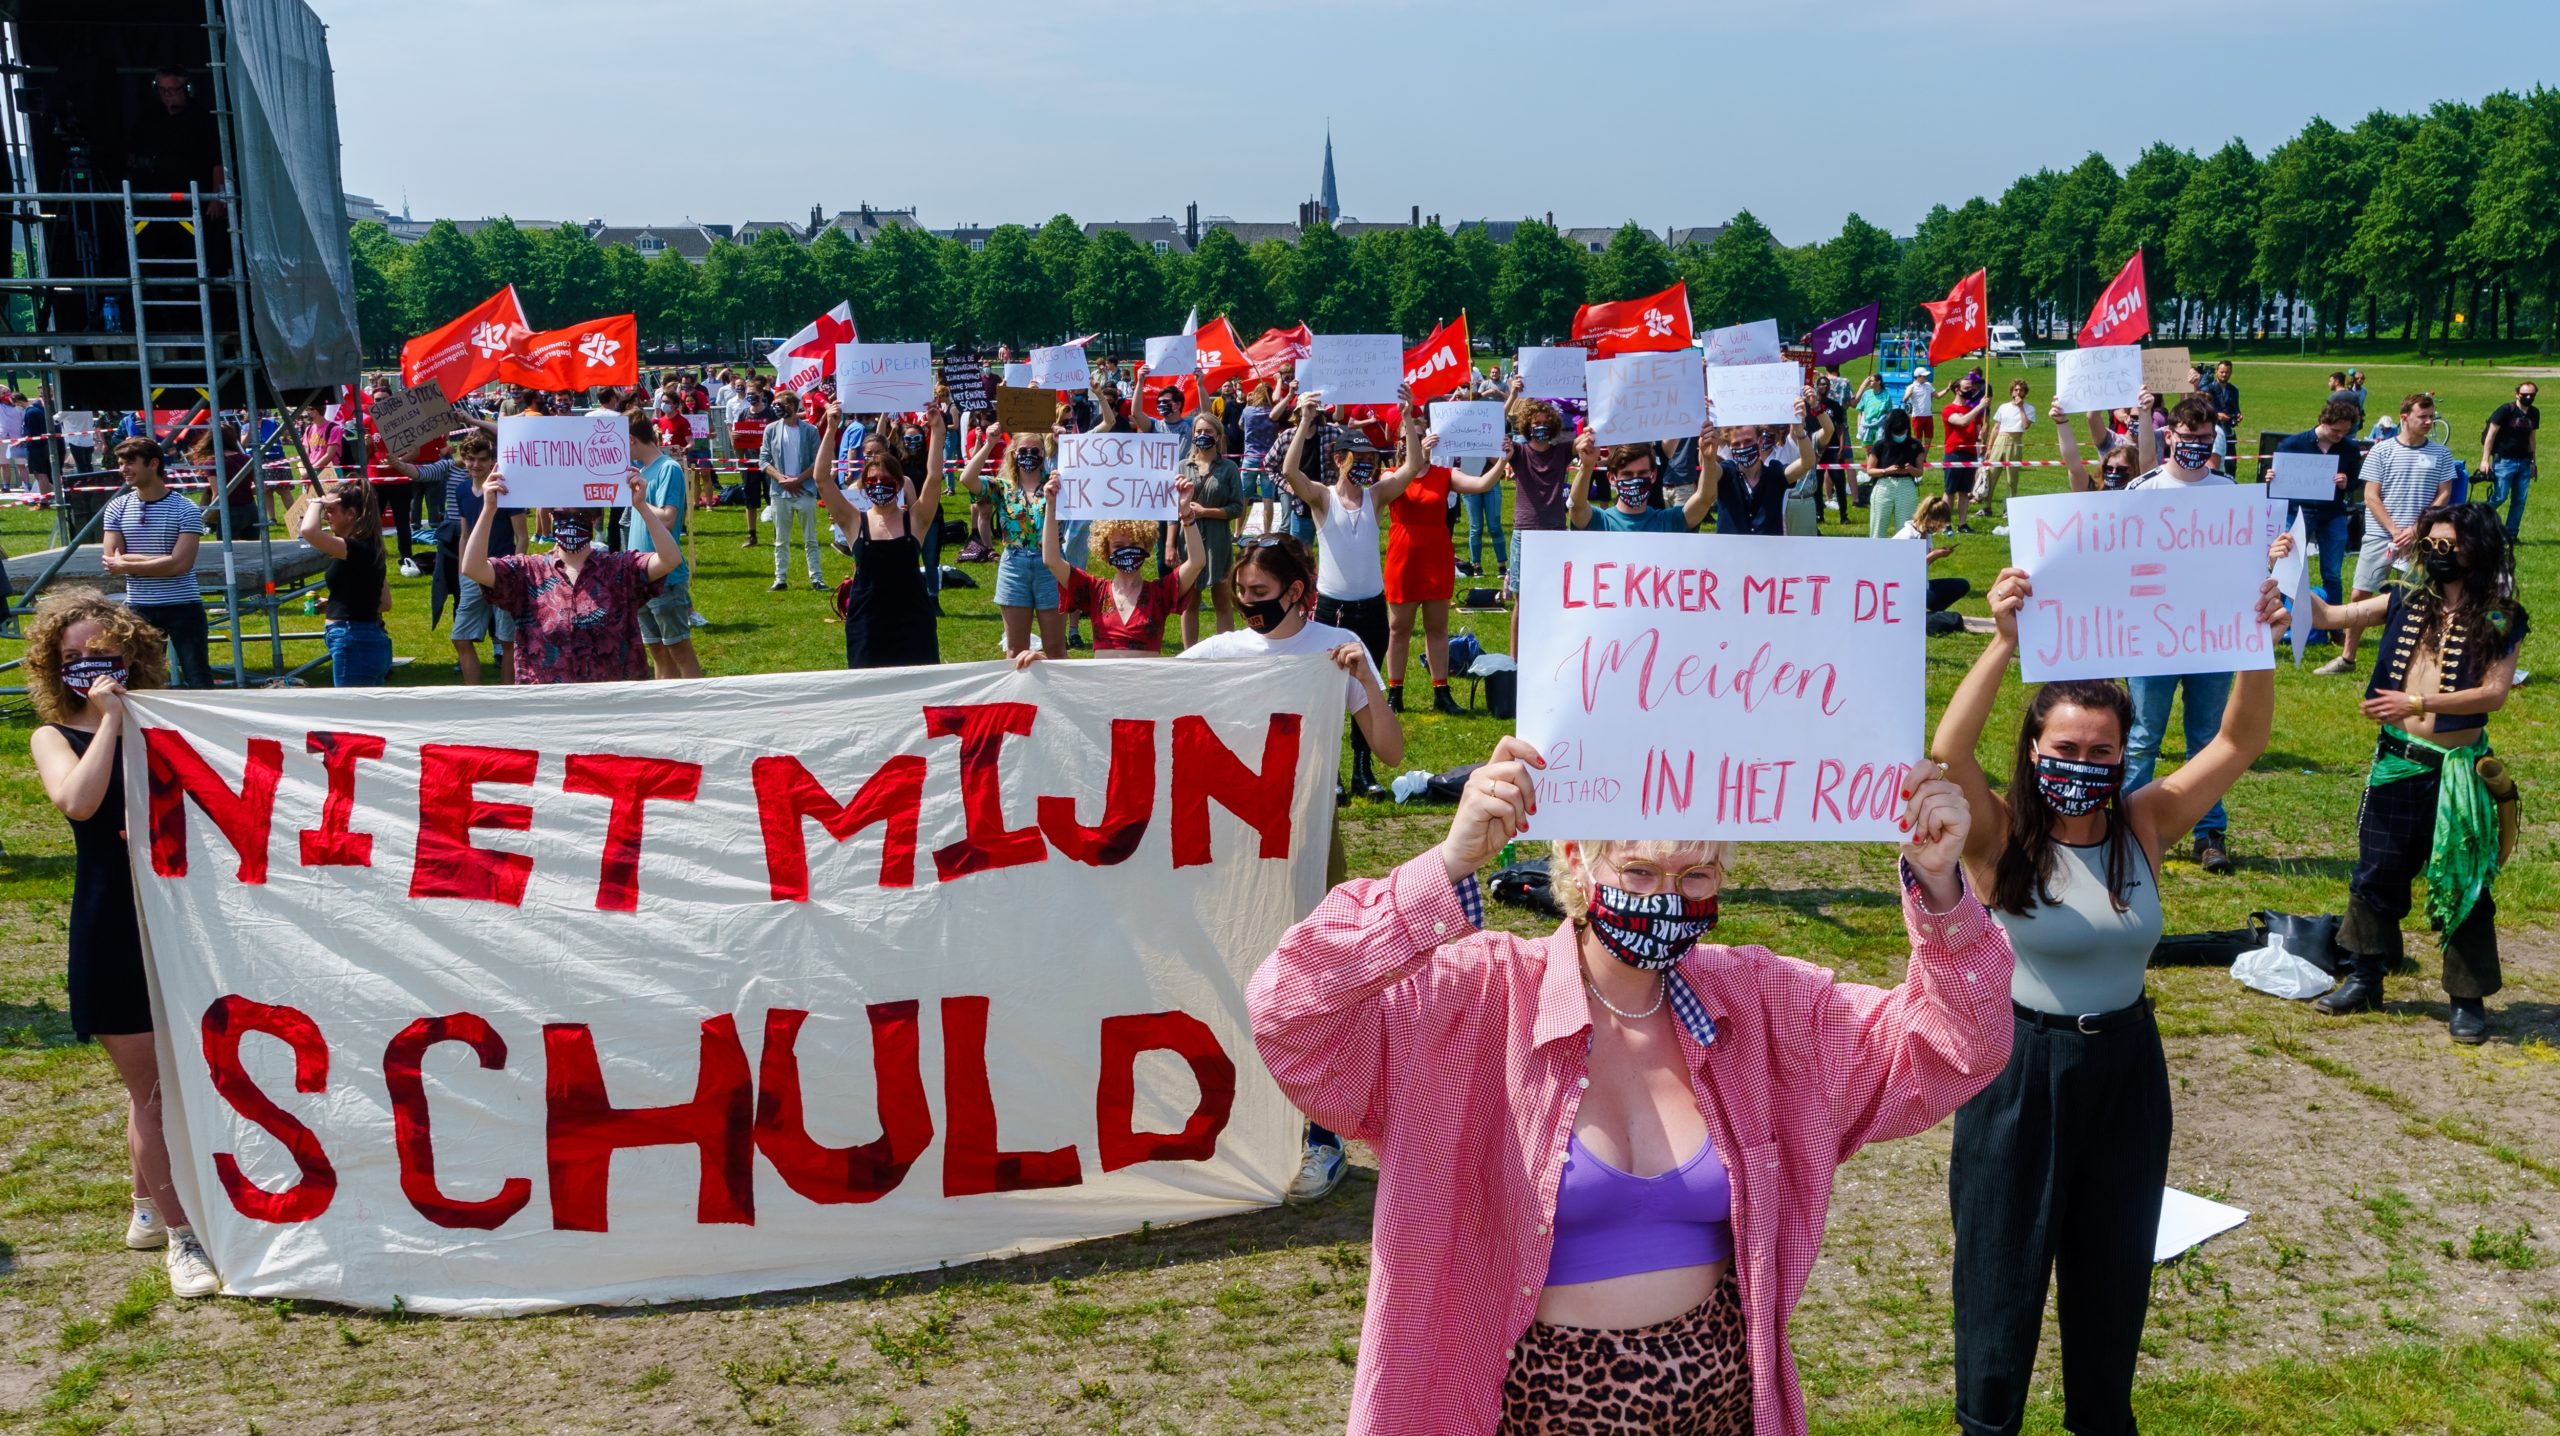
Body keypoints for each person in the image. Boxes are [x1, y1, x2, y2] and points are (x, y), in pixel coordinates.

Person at [1249, 731, 2010, 1434]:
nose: (1665, 897)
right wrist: (1446, 866)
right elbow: (1288, 1013)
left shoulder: (1761, 1005)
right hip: (1525, 1412)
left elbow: (1955, 1049)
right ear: (1578, 855)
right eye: (1639, 870)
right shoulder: (1473, 1004)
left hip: (1721, 1411)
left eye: (1695, 875)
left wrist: (1940, 887)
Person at [1930, 563, 2287, 1436]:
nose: (2082, 765)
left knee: (2113, 1271)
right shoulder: (2001, 831)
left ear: (2123, 754)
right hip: (2016, 1069)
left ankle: (2101, 1421)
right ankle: (1988, 1424)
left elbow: (2237, 744)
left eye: (2101, 752)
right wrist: (2006, 644)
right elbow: (1947, 755)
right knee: (2000, 1273)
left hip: (2126, 1066)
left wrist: (2255, 643)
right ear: (2035, 749)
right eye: (2065, 750)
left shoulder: (2145, 823)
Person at [1177, 533, 1403, 1206]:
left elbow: (1389, 754)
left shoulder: (1336, 651)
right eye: (1240, 595)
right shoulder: (1221, 652)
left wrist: (1364, 677)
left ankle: (1321, 1136)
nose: (1247, 606)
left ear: (1298, 593)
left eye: (1260, 596)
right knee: (1236, 967)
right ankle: (1244, 1118)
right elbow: (1137, 690)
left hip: (1307, 841)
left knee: (1311, 987)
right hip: (1232, 841)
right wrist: (1043, 672)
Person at [24, 593, 221, 1297]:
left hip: (180, 916)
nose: (88, 669)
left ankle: (145, 1207)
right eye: (71, 659)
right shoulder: (54, 735)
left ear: (131, 653)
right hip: (112, 924)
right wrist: (108, 723)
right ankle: (183, 1237)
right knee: (155, 1091)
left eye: (100, 655)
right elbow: (77, 801)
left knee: (168, 1082)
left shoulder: (167, 724)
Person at [2294, 503, 2527, 1043]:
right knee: (2376, 871)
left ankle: (2466, 999)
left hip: (2458, 773)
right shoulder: (2406, 599)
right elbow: (2329, 617)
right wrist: (2288, 571)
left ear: (2478, 548)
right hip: (2398, 764)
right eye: (2433, 543)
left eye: (2452, 545)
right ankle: (2365, 976)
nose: (2439, 554)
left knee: (2463, 881)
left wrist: (2416, 703)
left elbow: (2494, 693)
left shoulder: (2500, 614)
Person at [1280, 390, 1427, 797]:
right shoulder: (1323, 498)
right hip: (1333, 610)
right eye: (1357, 460)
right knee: (1329, 692)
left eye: (1369, 461)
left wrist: (1407, 415)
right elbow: (1291, 472)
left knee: (1367, 691)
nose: (1364, 467)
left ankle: (1363, 771)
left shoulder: (1376, 496)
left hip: (1371, 609)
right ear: (1339, 459)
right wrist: (1305, 422)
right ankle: (1333, 775)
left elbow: (1413, 466)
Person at [2119, 395, 2242, 873]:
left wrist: (2274, 548)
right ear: (2169, 436)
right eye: (2187, 437)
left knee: (2209, 739)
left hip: (2213, 635)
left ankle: (2209, 831)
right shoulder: (2143, 490)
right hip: (2153, 634)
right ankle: (2129, 828)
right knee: (2143, 736)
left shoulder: (2230, 491)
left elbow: (2247, 560)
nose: (2195, 445)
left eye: (2204, 439)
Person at [462, 464, 679, 684]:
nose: (571, 520)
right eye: (562, 515)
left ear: (594, 519)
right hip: (547, 706)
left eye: (581, 514)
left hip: (612, 706)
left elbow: (670, 559)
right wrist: (489, 509)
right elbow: (473, 568)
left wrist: (640, 506)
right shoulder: (528, 572)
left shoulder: (620, 569)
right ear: (552, 518)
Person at [2328, 394, 2457, 677]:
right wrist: (2395, 531)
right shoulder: (2381, 451)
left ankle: (2410, 659)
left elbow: (2444, 494)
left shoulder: (2441, 454)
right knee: (2361, 592)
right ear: (2404, 418)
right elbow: (2371, 496)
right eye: (2422, 417)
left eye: (2431, 417)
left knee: (2414, 597)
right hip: (2379, 536)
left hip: (2420, 539)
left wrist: (2415, 530)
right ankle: (2347, 657)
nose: (2428, 422)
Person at [818, 400, 945, 670]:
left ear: (900, 485)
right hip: (867, 624)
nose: (879, 486)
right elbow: (822, 480)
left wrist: (938, 430)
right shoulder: (854, 521)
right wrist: (831, 429)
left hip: (913, 621)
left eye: (887, 482)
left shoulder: (916, 521)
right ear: (863, 486)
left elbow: (934, 478)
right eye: (872, 481)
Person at [1386, 425, 1501, 714]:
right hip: (1403, 559)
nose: (1417, 442)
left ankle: (1442, 692)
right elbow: (1401, 482)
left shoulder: (1444, 475)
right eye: (1409, 437)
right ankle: (1394, 692)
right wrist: (1417, 457)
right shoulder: (1391, 476)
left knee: (1437, 628)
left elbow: (1482, 485)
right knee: (1398, 629)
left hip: (1436, 557)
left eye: (1421, 435)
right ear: (1402, 444)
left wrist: (1502, 460)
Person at [99, 437, 212, 689]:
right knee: (140, 683)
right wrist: (165, 560)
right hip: (139, 608)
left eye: (130, 463)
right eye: (120, 463)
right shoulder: (117, 507)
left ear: (153, 464)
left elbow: (181, 565)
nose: (123, 469)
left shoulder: (185, 508)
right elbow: (112, 559)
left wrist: (128, 563)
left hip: (184, 606)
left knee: (199, 680)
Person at [413, 432, 519, 684]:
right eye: (470, 459)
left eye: (482, 459)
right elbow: (464, 534)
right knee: (460, 637)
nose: (475, 465)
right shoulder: (461, 489)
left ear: (493, 460)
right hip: (473, 571)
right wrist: (463, 570)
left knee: (508, 640)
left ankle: (509, 697)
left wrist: (516, 568)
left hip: (504, 569)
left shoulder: (506, 489)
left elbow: (522, 536)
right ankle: (475, 695)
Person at [1040, 496, 1204, 658]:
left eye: (1134, 544)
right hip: (1103, 682)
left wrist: (1187, 515)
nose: (1127, 550)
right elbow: (1051, 560)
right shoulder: (1094, 591)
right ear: (1106, 549)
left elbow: (1197, 562)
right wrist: (1052, 506)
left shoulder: (1160, 593)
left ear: (1145, 545)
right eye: (1118, 546)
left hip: (1147, 682)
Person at [960, 425, 1066, 658]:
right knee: (1015, 649)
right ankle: (1017, 695)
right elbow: (966, 479)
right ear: (1014, 454)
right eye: (1024, 451)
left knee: (1056, 648)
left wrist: (1066, 444)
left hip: (1051, 565)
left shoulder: (1058, 483)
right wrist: (989, 443)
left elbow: (1086, 477)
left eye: (1036, 451)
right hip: (1014, 565)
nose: (1029, 456)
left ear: (1044, 454)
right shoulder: (1002, 486)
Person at [2276, 399, 2367, 651]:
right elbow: (2275, 477)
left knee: (2332, 573)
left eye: (2345, 431)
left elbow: (2356, 482)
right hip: (2299, 514)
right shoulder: (2294, 444)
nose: (2340, 436)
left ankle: (2334, 627)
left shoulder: (2349, 448)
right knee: (2288, 568)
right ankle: (2280, 622)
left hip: (2333, 515)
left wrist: (2345, 482)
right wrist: (2272, 476)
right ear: (2323, 421)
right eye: (2335, 430)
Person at [622, 414, 702, 679]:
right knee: (656, 651)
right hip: (641, 575)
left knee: (679, 649)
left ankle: (697, 708)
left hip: (665, 578)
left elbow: (668, 518)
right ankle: (666, 709)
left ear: (631, 439)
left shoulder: (668, 468)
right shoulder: (642, 473)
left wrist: (641, 503)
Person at [293, 476, 393, 687]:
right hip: (371, 639)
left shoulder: (354, 548)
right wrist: (334, 604)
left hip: (353, 639)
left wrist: (317, 503)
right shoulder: (371, 548)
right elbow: (384, 603)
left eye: (331, 510)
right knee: (367, 716)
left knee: (351, 715)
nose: (327, 516)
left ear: (351, 514)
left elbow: (309, 531)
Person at [1500, 390, 1576, 652]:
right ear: (1527, 427)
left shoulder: (1563, 451)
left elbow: (1590, 440)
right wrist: (1512, 394)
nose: (1540, 427)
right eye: (1535, 423)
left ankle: (1552, 650)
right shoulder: (1519, 452)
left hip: (1555, 531)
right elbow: (1496, 429)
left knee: (1556, 597)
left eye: (1545, 422)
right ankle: (1516, 658)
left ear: (1553, 425)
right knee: (1522, 601)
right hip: (1525, 532)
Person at [1173, 409, 1244, 645]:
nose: (1203, 435)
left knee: (1222, 599)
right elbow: (1171, 508)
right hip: (1188, 541)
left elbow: (1237, 508)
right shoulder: (1182, 466)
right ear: (1193, 434)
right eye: (1199, 431)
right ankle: (1189, 655)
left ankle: (1225, 652)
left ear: (1218, 435)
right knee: (1190, 601)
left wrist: (1206, 512)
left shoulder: (1229, 468)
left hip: (1218, 542)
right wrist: (1169, 543)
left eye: (1208, 431)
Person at [1569, 430, 1714, 535]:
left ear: (1653, 475)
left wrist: (1708, 459)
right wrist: (1587, 467)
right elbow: (1576, 507)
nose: (1635, 479)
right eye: (1627, 474)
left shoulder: (1668, 521)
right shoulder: (1601, 521)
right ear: (1612, 478)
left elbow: (1704, 499)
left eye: (1642, 473)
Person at [1713, 401, 1821, 537]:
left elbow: (1807, 463)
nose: (1742, 447)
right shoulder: (1726, 473)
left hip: (1770, 554)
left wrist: (1799, 429)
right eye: (1736, 444)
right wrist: (1708, 431)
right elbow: (1708, 468)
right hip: (1731, 554)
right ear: (1730, 446)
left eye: (1748, 441)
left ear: (1760, 441)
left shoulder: (1775, 474)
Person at [758, 391, 827, 592]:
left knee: (811, 538)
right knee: (781, 539)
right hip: (780, 493)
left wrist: (798, 480)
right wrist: (781, 479)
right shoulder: (771, 429)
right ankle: (780, 578)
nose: (777, 407)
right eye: (776, 404)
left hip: (804, 491)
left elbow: (818, 461)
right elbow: (764, 460)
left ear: (793, 406)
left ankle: (817, 578)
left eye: (781, 404)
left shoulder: (810, 430)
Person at [1893, 495, 1973, 615]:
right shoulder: (1907, 536)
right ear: (1926, 516)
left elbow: (1923, 564)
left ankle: (1931, 614)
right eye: (1938, 523)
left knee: (1962, 585)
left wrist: (1938, 554)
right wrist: (1935, 555)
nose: (1939, 528)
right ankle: (1919, 614)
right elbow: (1905, 568)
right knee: (1929, 597)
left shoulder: (1927, 534)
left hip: (1921, 583)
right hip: (1902, 588)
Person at [2051, 395, 2149, 491]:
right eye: (2109, 469)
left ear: (2135, 469)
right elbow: (2073, 465)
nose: (2113, 473)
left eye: (2121, 470)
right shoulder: (2095, 489)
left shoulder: (2147, 489)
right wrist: (2061, 422)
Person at [2481, 380, 2537, 543]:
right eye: (2524, 394)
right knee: (2500, 497)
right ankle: (2477, 521)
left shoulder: (2534, 413)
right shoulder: (2505, 410)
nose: (2528, 397)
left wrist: (2534, 462)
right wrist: (2485, 460)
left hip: (2525, 462)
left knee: (2519, 501)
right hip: (2504, 461)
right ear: (2517, 394)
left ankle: (2511, 535)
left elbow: (2532, 438)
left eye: (2531, 394)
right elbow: (2491, 435)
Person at [1866, 406, 1929, 538]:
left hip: (1906, 485)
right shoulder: (1880, 445)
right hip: (1884, 484)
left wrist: (1911, 469)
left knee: (1905, 529)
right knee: (1878, 527)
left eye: (1902, 432)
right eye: (1897, 432)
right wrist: (1885, 470)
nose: (1900, 435)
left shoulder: (1915, 445)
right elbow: (1870, 470)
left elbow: (1920, 472)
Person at [1941, 370, 1990, 533]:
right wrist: (1979, 407)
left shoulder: (1972, 410)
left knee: (1964, 492)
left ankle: (1962, 524)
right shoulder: (1948, 409)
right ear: (1957, 390)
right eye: (1967, 388)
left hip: (1969, 454)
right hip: (1954, 453)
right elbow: (1961, 422)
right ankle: (1946, 524)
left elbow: (1976, 429)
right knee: (1950, 491)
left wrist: (1981, 435)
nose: (1971, 391)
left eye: (1972, 388)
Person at [1983, 378, 2033, 526]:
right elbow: (1996, 427)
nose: (2018, 392)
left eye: (2021, 390)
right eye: (2016, 390)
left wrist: (2021, 408)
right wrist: (1990, 447)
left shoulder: (2030, 408)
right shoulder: (2003, 407)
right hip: (2000, 440)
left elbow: (2025, 425)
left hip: (2015, 441)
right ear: (2011, 391)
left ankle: (2008, 510)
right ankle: (1986, 507)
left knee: (2012, 479)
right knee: (1991, 475)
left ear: (2024, 392)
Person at [2203, 360, 2244, 470]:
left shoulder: (2234, 390)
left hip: (2229, 433)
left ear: (2230, 373)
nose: (2224, 374)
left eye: (2227, 372)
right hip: (2213, 432)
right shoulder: (2208, 389)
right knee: (2213, 464)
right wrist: (2216, 415)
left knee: (2231, 464)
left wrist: (2238, 415)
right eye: (2222, 372)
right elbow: (2203, 410)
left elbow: (2236, 409)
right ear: (2216, 371)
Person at [1902, 363, 1937, 444]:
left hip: (1928, 415)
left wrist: (1947, 389)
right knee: (1918, 440)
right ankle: (1918, 456)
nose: (1926, 377)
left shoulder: (1928, 385)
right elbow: (1904, 400)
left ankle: (1923, 456)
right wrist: (1909, 394)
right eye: (1924, 376)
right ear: (1918, 377)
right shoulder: (1911, 387)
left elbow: (1937, 396)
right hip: (1917, 416)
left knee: (1928, 439)